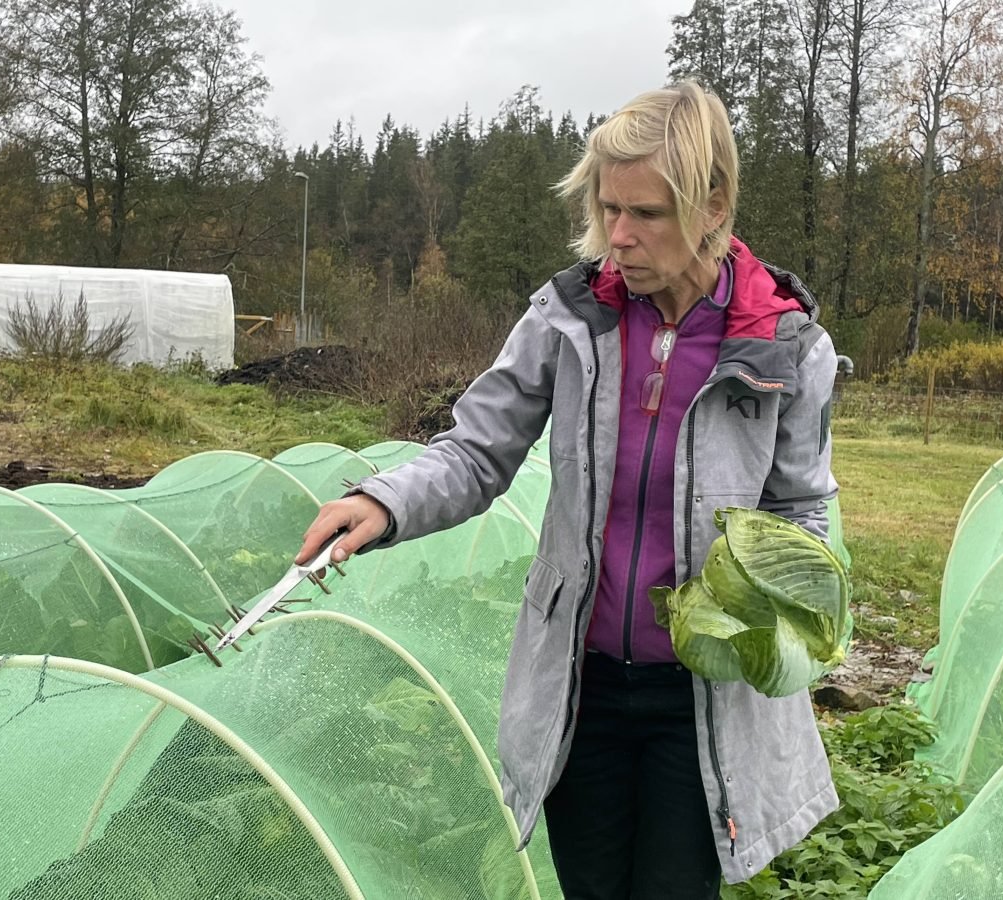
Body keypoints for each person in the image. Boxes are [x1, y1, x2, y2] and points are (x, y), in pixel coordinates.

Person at [296, 81, 840, 899]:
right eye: (607, 207)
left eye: (646, 214)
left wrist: (778, 609)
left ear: (713, 202)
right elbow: (479, 448)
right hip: (580, 685)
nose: (617, 237)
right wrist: (385, 501)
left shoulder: (785, 348)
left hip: (702, 698)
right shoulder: (570, 317)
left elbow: (801, 511)